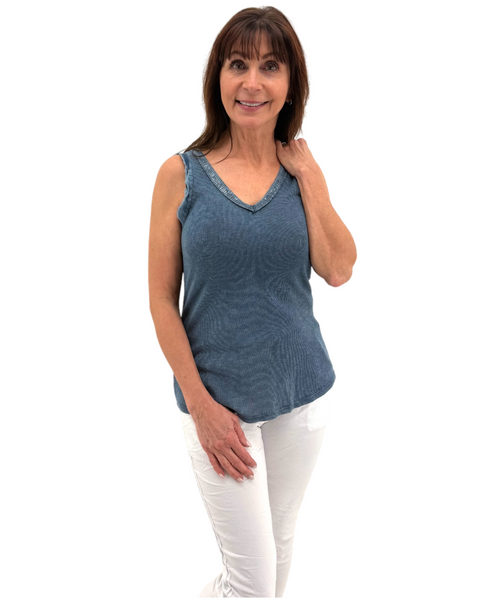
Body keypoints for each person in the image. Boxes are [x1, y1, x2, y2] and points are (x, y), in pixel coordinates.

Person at [148, 6, 357, 597]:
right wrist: (201, 407)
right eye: (238, 64)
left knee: (276, 558)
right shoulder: (181, 174)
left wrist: (310, 179)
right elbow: (161, 299)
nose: (252, 83)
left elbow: (339, 269)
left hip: (301, 397)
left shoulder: (301, 173)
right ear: (218, 76)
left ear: (291, 84)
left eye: (270, 66)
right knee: (253, 584)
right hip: (219, 409)